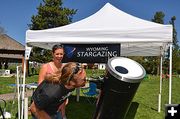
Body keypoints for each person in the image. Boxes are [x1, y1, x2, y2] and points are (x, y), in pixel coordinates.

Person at [37, 44, 67, 118]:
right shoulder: (45, 67)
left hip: (60, 103)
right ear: (52, 54)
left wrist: (65, 99)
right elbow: (40, 86)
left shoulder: (65, 68)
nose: (59, 56)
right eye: (57, 54)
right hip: (47, 103)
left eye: (61, 54)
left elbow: (66, 85)